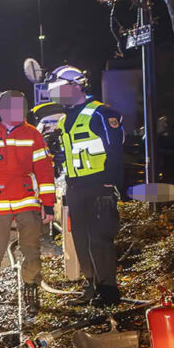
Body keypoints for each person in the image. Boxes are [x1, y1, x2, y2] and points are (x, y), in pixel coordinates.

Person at [0, 90, 55, 329]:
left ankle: (31, 294)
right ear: (2, 110)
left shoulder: (33, 134)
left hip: (27, 201)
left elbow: (44, 171)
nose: (21, 112)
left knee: (32, 251)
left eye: (23, 108)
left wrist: (48, 203)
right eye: (16, 108)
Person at [47, 65, 125, 307]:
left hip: (99, 185)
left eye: (59, 89)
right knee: (81, 239)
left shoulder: (101, 113)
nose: (56, 95)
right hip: (76, 187)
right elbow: (68, 155)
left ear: (76, 86)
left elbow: (115, 150)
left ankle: (108, 291)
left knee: (100, 240)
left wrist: (110, 185)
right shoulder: (65, 120)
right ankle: (92, 286)